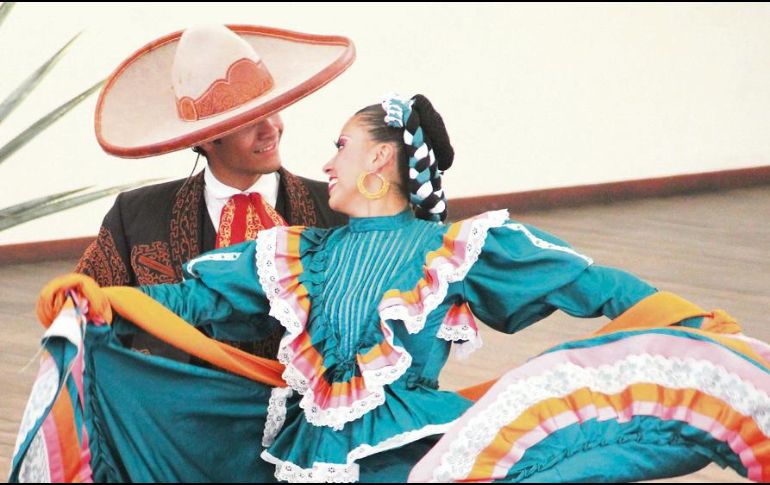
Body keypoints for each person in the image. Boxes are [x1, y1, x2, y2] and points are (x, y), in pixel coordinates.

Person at [15, 94, 768, 483]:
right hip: (310, 453)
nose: (328, 159)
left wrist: (690, 318)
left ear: (380, 166)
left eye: (342, 145)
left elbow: (589, 285)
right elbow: (195, 299)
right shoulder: (299, 252)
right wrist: (104, 297)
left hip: (412, 455)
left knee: (597, 443)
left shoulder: (454, 247)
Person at [75, 24, 352, 358]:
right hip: (179, 408)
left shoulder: (340, 209)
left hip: (304, 407)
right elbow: (83, 314)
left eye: (273, 109)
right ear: (205, 137)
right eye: (249, 121)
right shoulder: (135, 217)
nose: (271, 130)